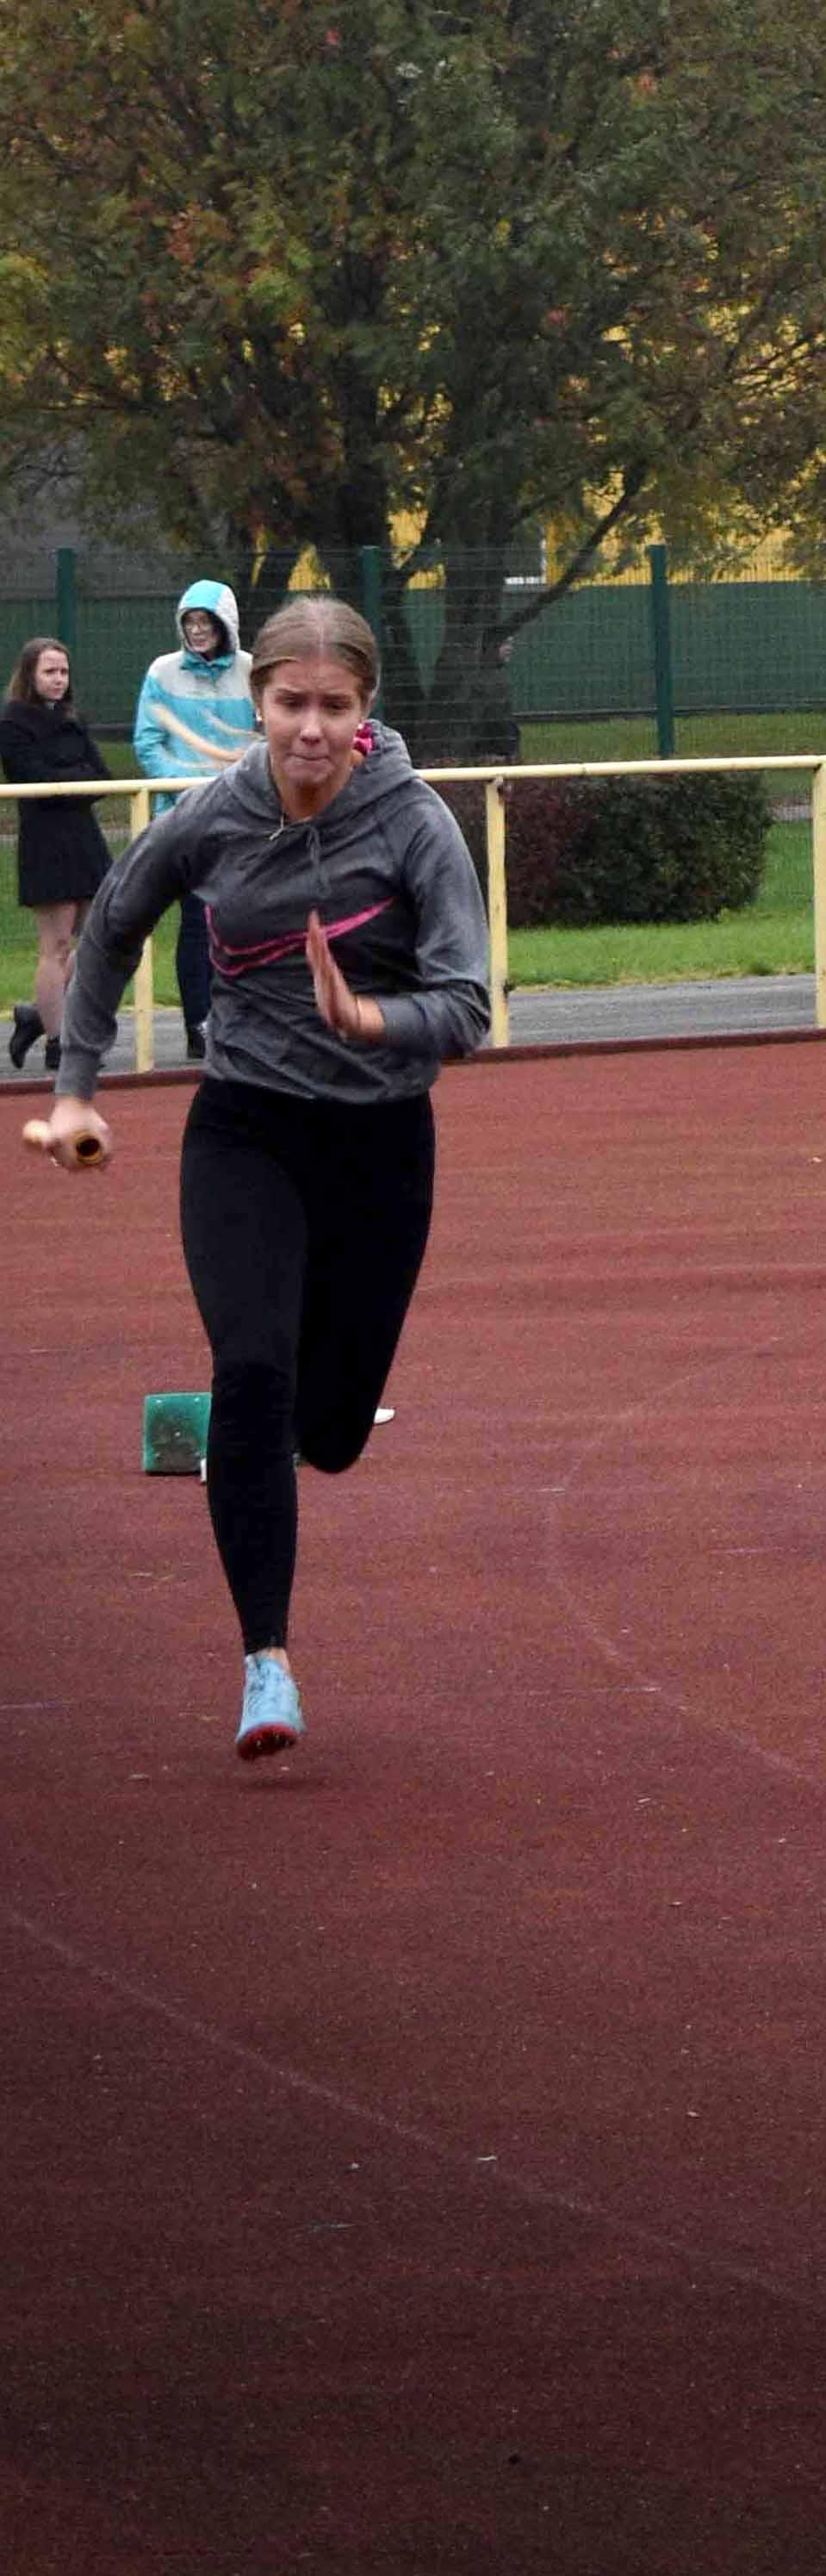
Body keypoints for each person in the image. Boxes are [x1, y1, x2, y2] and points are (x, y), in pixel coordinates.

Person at [26, 595, 488, 1761]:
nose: (311, 729)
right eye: (291, 704)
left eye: (334, 706)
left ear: (365, 710)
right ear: (258, 700)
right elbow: (112, 927)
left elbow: (467, 1007)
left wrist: (370, 1017)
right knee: (251, 1368)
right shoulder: (215, 814)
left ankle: (256, 1430)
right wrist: (76, 1085)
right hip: (245, 1130)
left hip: (381, 1144)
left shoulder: (417, 825)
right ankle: (266, 1663)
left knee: (329, 1430)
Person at [132, 576, 257, 1058]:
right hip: (185, 819)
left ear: (226, 624)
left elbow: (264, 738)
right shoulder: (162, 673)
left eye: (206, 621)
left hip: (242, 817)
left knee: (244, 921)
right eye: (190, 622)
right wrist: (188, 789)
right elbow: (147, 743)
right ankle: (197, 1023)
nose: (198, 630)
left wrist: (241, 788)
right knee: (196, 922)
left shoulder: (251, 671)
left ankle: (240, 1018)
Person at [3, 637, 115, 1073]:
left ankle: (36, 1014)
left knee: (99, 936)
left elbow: (101, 776)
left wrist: (69, 782)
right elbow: (33, 778)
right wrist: (73, 780)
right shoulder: (13, 722)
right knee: (56, 944)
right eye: (50, 671)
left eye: (64, 672)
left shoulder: (73, 718)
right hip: (46, 843)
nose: (58, 679)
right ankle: (58, 1041)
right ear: (30, 674)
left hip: (84, 838)